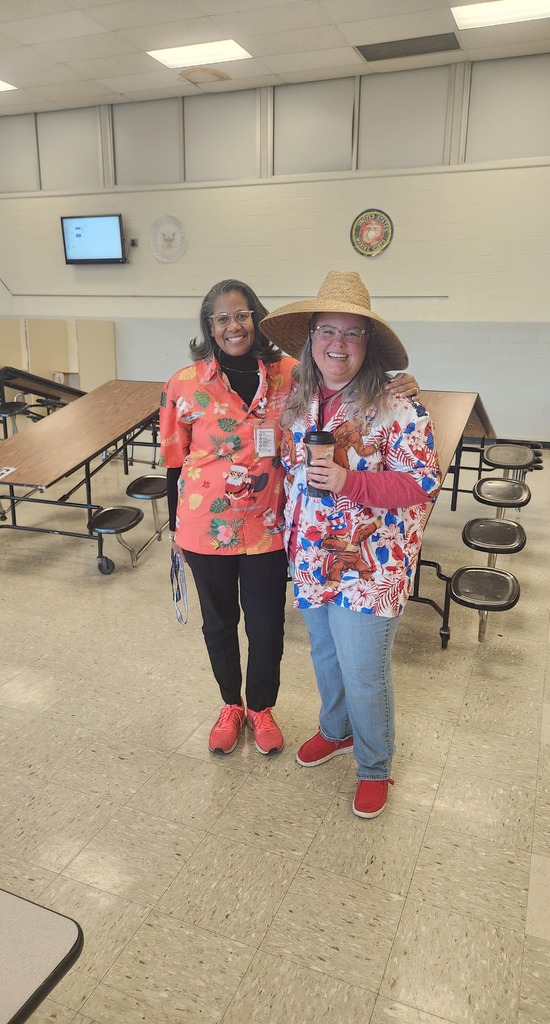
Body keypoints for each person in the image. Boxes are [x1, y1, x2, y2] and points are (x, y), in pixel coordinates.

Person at [159, 277, 419, 759]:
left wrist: (398, 383)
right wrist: (175, 527)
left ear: (256, 317)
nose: (233, 326)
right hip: (205, 528)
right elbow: (174, 460)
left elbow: (351, 377)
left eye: (241, 314)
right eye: (221, 318)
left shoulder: (291, 374)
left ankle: (261, 708)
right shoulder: (183, 383)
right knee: (219, 624)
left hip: (270, 529)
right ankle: (229, 705)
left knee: (265, 626)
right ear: (209, 327)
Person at [259, 271, 441, 817]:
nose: (338, 344)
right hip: (313, 556)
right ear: (311, 340)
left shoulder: (396, 404)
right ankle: (335, 729)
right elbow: (289, 465)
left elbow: (419, 483)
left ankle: (374, 763)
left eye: (352, 333)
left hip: (371, 563)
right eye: (327, 331)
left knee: (365, 669)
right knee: (325, 653)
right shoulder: (300, 398)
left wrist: (349, 481)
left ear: (368, 344)